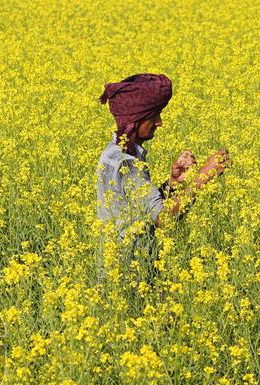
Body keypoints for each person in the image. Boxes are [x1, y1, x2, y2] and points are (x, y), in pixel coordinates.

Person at [95, 73, 230, 283]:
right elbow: (163, 219)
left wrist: (173, 184)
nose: (159, 122)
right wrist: (205, 175)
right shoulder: (125, 163)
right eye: (154, 116)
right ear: (136, 120)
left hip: (124, 271)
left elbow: (140, 209)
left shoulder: (116, 154)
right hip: (129, 276)